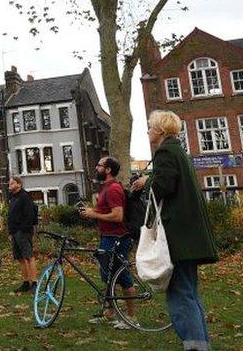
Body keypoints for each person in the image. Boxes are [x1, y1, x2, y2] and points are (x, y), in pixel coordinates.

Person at [133, 110, 218, 351]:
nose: (148, 131)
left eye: (150, 127)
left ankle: (194, 346)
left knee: (180, 294)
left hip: (178, 237)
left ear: (160, 130)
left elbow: (164, 185)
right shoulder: (178, 151)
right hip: (190, 236)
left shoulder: (165, 151)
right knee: (189, 292)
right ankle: (201, 343)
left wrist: (145, 183)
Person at [80, 156, 136, 329]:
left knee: (123, 276)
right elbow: (104, 211)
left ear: (108, 169)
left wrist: (94, 214)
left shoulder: (113, 189)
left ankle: (131, 317)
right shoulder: (105, 188)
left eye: (99, 165)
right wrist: (91, 211)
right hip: (107, 237)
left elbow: (117, 215)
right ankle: (110, 313)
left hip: (117, 238)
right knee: (108, 276)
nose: (96, 168)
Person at [7, 177, 37, 291]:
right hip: (14, 232)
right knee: (20, 258)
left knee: (29, 256)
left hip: (23, 232)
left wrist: (22, 229)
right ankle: (25, 282)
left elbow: (29, 215)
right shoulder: (13, 198)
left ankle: (34, 282)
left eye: (12, 183)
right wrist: (10, 232)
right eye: (9, 183)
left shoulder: (25, 196)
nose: (10, 185)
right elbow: (11, 216)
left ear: (19, 184)